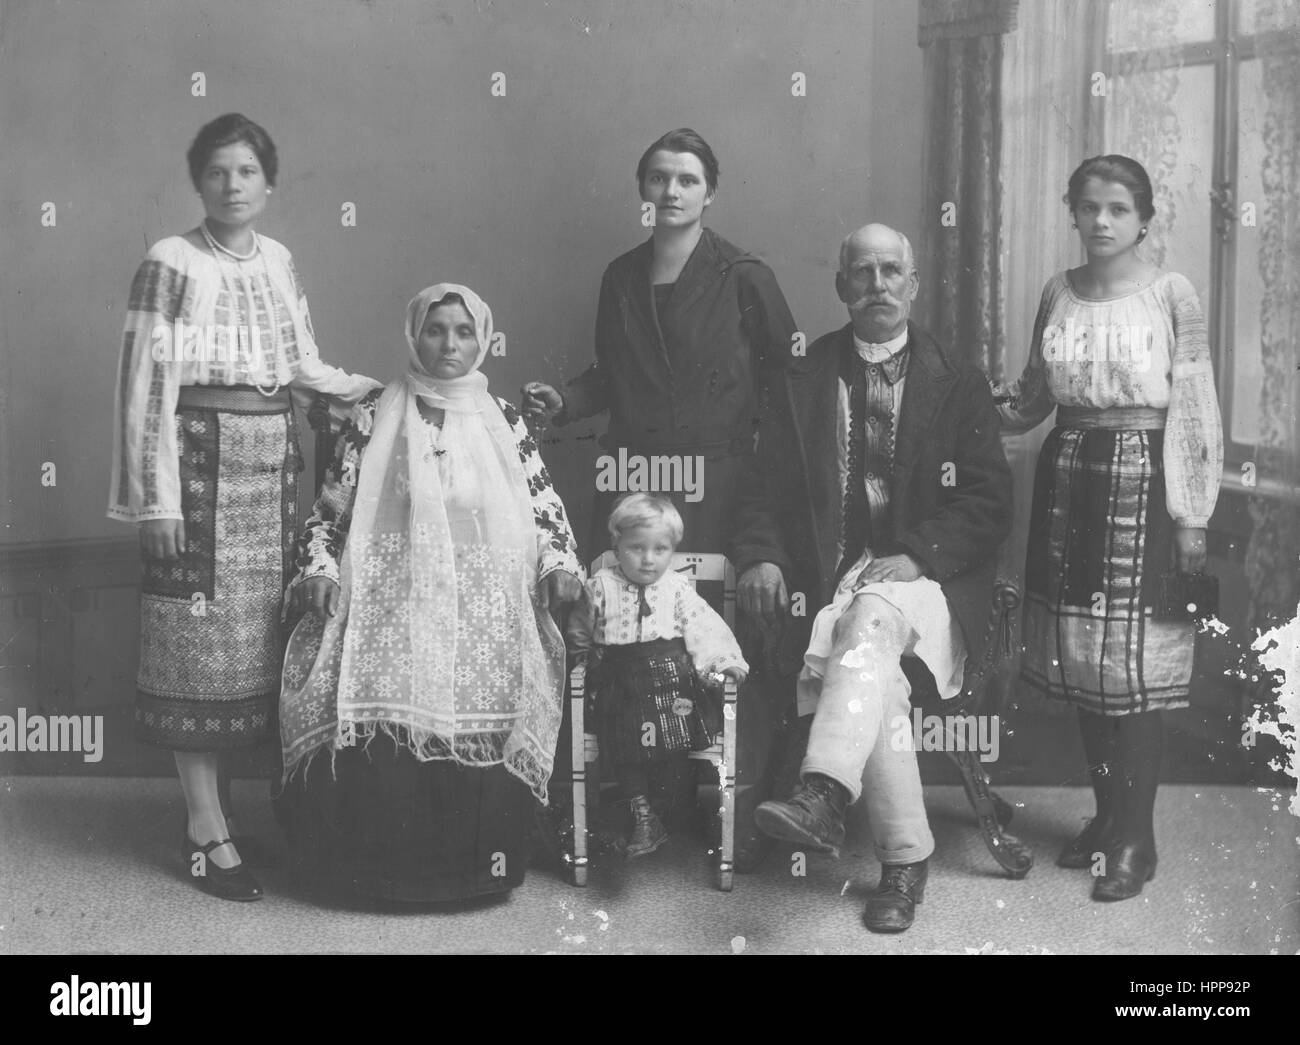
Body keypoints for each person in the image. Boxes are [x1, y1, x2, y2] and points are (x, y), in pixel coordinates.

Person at [107, 113, 381, 902]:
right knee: (194, 649)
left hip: (269, 471)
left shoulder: (279, 259)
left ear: (270, 182)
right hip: (195, 467)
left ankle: (219, 813)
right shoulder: (170, 260)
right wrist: (156, 501)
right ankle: (204, 827)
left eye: (248, 171)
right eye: (218, 171)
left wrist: (380, 390)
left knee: (249, 651)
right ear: (198, 180)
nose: (233, 185)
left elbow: (301, 366)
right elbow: (144, 384)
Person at [520, 128, 800, 867]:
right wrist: (565, 400)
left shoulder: (745, 277)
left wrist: (763, 515)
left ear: (711, 192)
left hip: (722, 486)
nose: (671, 191)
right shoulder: (621, 276)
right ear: (642, 190)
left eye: (687, 179)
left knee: (721, 635)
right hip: (635, 484)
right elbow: (609, 376)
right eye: (658, 178)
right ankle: (644, 794)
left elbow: (785, 389)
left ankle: (737, 801)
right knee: (618, 631)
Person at [734, 223, 1012, 933]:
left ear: (912, 286)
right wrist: (762, 554)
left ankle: (823, 790)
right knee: (873, 664)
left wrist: (918, 555)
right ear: (841, 286)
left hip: (934, 583)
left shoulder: (959, 381)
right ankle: (903, 861)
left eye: (892, 272)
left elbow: (988, 502)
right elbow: (761, 488)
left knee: (871, 620)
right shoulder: (803, 377)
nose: (878, 285)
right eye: (863, 272)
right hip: (833, 578)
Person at [276, 283, 583, 903]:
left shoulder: (505, 420)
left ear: (482, 341)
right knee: (377, 672)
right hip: (389, 593)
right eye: (435, 330)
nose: (449, 344)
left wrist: (558, 563)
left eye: (463, 332)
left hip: (485, 599)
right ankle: (378, 873)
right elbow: (330, 514)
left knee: (495, 672)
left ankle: (473, 871)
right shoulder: (374, 414)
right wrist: (320, 570)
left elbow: (545, 510)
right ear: (414, 337)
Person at [994, 155, 1222, 901]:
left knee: (1136, 666)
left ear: (1144, 220)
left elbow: (1194, 402)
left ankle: (1137, 837)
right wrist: (963, 407)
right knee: (1088, 661)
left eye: (1119, 208)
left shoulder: (1171, 294)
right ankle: (1106, 817)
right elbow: (1033, 397)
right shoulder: (1058, 292)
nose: (1101, 221)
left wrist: (1191, 517)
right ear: (1074, 212)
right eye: (1089, 206)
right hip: (1069, 476)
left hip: (1145, 482)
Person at [566, 494, 748, 856]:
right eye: (636, 548)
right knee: (623, 740)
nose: (648, 559)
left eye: (660, 549)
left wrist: (723, 661)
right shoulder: (599, 586)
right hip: (619, 683)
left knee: (675, 734)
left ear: (672, 550)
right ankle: (643, 812)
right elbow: (579, 630)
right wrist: (584, 658)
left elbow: (704, 628)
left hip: (671, 681)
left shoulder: (677, 588)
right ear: (617, 545)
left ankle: (667, 808)